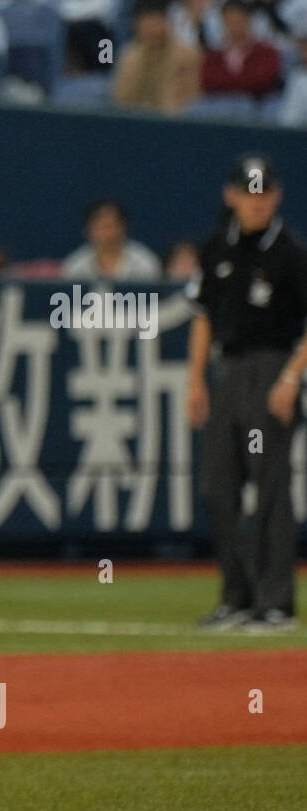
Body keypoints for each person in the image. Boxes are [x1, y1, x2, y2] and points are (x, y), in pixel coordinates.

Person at [188, 154, 307, 631]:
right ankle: (236, 596)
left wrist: (291, 376)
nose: (256, 201)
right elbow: (203, 315)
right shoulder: (217, 248)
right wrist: (195, 378)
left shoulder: (291, 253)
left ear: (276, 196)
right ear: (231, 195)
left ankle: (275, 602)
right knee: (218, 487)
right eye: (248, 192)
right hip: (229, 370)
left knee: (272, 487)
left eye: (264, 192)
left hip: (272, 367)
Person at [113, 0, 201, 113]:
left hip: (173, 121)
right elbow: (121, 100)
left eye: (157, 23)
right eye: (148, 24)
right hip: (134, 119)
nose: (154, 30)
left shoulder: (187, 55)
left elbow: (190, 99)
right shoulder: (130, 56)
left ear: (168, 23)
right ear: (137, 26)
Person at [61, 198, 161, 281]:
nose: (109, 233)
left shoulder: (144, 261)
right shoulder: (75, 265)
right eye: (102, 227)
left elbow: (153, 301)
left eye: (113, 226)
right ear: (87, 230)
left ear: (124, 228)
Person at [200, 0, 282, 100]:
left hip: (256, 109)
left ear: (248, 20)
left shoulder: (266, 53)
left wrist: (228, 84)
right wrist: (240, 83)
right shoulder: (213, 57)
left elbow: (263, 81)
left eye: (238, 21)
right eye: (229, 21)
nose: (234, 27)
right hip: (221, 108)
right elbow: (208, 82)